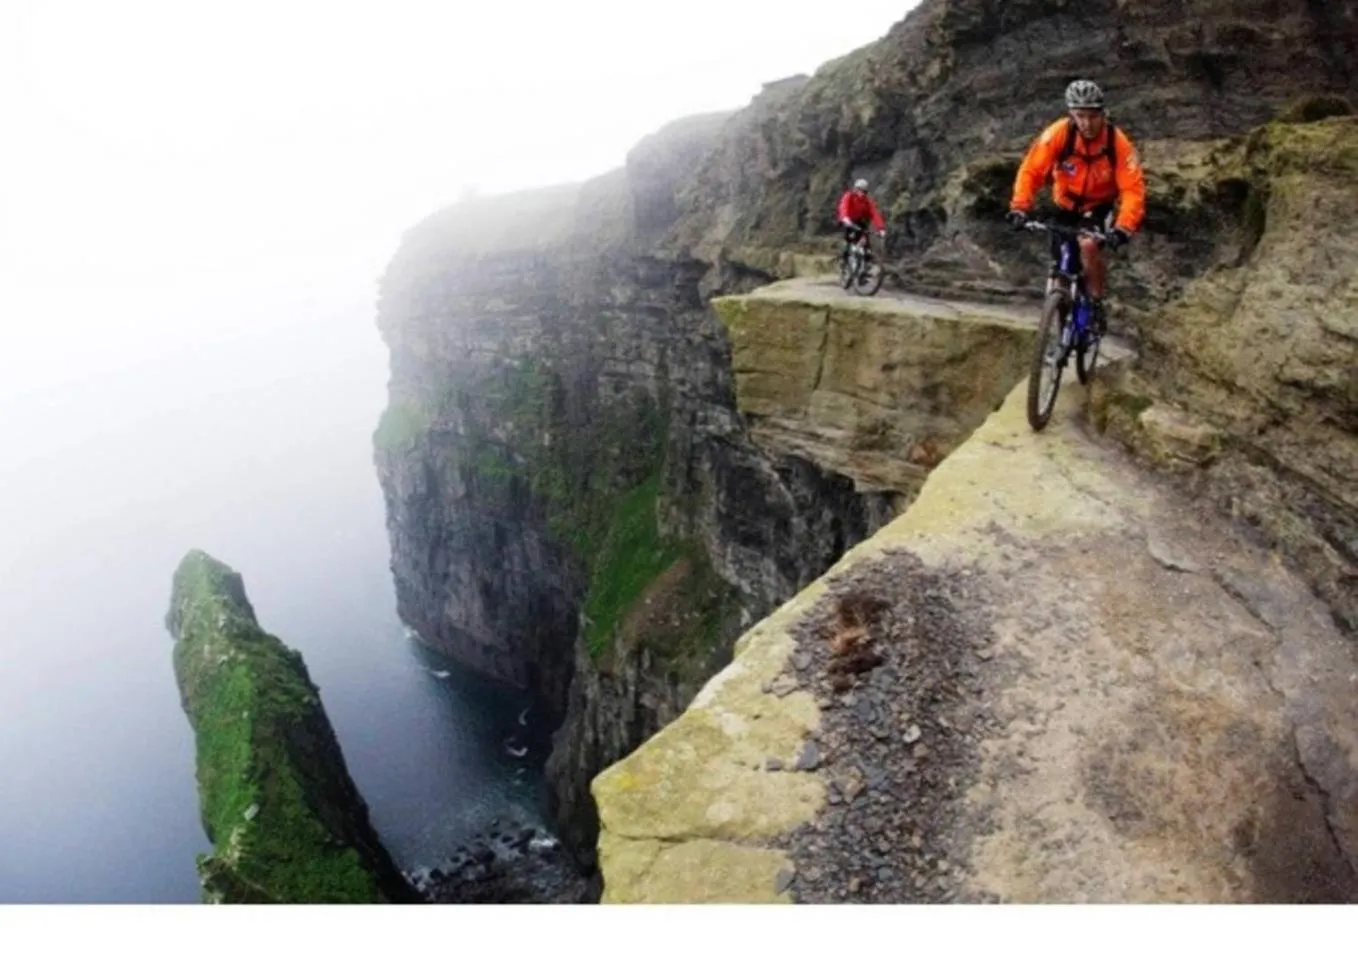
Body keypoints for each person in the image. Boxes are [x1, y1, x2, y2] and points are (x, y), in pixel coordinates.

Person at [1006, 79, 1146, 332]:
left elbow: (1132, 189)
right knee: (1060, 260)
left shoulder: (1117, 143)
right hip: (1065, 204)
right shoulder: (1058, 134)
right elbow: (1031, 171)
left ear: (1102, 114)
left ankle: (1095, 302)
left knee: (1088, 244)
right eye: (1080, 116)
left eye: (1092, 116)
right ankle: (1055, 312)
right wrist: (1020, 207)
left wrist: (1124, 226)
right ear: (1071, 115)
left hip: (1098, 206)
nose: (1086, 123)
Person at [837, 178, 887, 269]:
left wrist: (881, 228)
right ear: (855, 189)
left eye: (864, 191)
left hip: (859, 221)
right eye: (860, 190)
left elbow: (875, 213)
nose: (862, 193)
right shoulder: (849, 196)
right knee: (848, 240)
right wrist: (845, 218)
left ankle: (866, 267)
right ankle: (844, 261)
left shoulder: (866, 201)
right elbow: (843, 207)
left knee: (866, 243)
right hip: (847, 220)